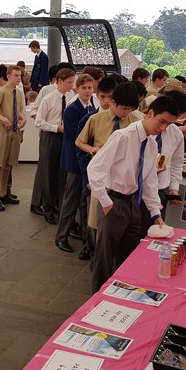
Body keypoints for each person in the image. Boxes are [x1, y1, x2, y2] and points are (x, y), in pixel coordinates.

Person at [88, 96, 180, 293]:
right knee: (104, 258)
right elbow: (94, 169)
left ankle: (121, 295)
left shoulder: (151, 143)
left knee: (129, 256)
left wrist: (155, 213)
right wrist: (105, 202)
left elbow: (149, 181)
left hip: (134, 204)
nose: (163, 128)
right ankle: (97, 299)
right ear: (150, 113)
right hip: (114, 201)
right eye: (161, 121)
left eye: (168, 125)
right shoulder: (123, 136)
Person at [76, 82, 140, 250]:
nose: (126, 113)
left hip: (121, 179)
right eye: (124, 108)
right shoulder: (96, 119)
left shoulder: (135, 122)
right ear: (113, 102)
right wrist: (91, 149)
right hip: (101, 175)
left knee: (118, 222)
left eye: (130, 109)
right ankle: (93, 250)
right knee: (97, 219)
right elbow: (79, 142)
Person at [74, 76, 117, 260]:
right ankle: (88, 246)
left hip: (113, 178)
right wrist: (87, 177)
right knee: (90, 212)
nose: (106, 101)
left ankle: (102, 250)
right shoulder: (90, 118)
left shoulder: (127, 120)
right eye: (103, 97)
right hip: (92, 174)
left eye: (110, 97)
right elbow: (79, 148)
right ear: (97, 96)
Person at [55, 73, 96, 253]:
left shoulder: (90, 107)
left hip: (84, 159)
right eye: (84, 88)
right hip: (74, 160)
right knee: (70, 201)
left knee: (81, 201)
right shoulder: (72, 109)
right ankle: (61, 237)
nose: (87, 91)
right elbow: (74, 137)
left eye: (90, 88)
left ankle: (80, 232)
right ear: (77, 89)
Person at [35, 67, 77, 224]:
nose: (72, 85)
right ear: (59, 81)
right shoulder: (48, 99)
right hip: (51, 137)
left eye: (73, 82)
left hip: (65, 138)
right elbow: (39, 122)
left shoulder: (72, 98)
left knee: (62, 175)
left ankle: (60, 208)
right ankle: (48, 209)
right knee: (48, 174)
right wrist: (56, 128)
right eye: (69, 82)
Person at [139, 90, 185, 232]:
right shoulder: (142, 130)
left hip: (159, 191)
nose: (164, 127)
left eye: (170, 122)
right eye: (163, 121)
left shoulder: (176, 134)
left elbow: (176, 164)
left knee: (154, 232)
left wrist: (173, 188)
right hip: (138, 190)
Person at [0, 65, 26, 211]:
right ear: (8, 76)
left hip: (14, 131)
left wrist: (22, 120)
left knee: (8, 164)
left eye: (20, 75)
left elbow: (17, 111)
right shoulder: (1, 91)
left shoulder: (18, 93)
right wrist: (3, 119)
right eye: (16, 75)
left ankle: (4, 193)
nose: (19, 78)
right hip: (2, 130)